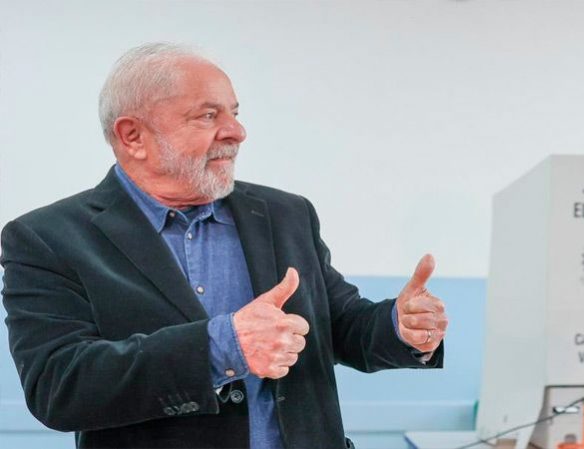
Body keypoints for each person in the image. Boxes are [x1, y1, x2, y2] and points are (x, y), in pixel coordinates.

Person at [0, 43, 448, 449]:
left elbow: (340, 324)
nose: (237, 131)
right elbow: (59, 387)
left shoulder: (285, 214)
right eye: (208, 116)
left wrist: (399, 326)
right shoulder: (45, 238)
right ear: (133, 136)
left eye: (234, 112)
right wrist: (222, 348)